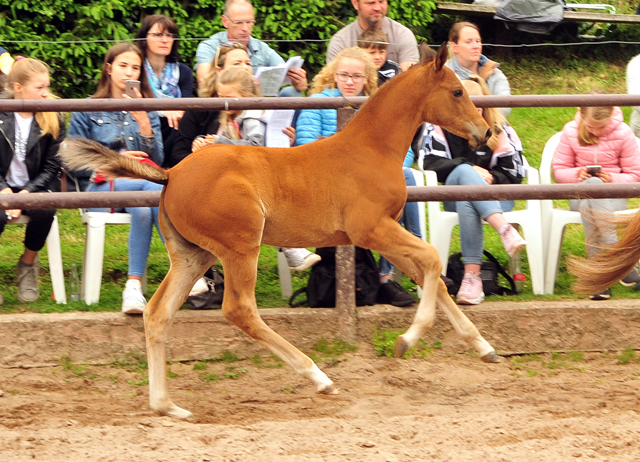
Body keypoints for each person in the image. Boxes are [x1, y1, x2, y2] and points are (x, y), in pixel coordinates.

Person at [294, 47, 416, 306]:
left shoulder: (379, 107)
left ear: (367, 79)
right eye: (344, 75)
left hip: (373, 181)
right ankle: (413, 263)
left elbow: (404, 153)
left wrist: (376, 164)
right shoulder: (318, 102)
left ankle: (389, 274)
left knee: (404, 180)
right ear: (334, 76)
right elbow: (305, 145)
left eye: (357, 77)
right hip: (329, 182)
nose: (350, 82)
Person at [67, 42, 165, 315]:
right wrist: (115, 163)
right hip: (99, 188)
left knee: (144, 204)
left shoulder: (146, 109)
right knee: (152, 189)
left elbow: (157, 158)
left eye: (135, 67)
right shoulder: (87, 107)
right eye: (123, 65)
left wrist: (144, 123)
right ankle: (185, 269)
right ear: (109, 69)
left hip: (139, 186)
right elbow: (72, 158)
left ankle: (133, 288)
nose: (129, 72)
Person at [417, 76, 526, 305]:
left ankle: (472, 279)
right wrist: (469, 169)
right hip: (451, 194)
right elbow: (430, 165)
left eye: (476, 105)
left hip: (496, 197)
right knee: (466, 175)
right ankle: (504, 230)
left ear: (484, 105)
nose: (471, 110)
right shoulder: (438, 127)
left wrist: (490, 178)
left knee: (469, 199)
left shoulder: (500, 128)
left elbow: (515, 174)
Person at [552, 97, 640, 301]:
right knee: (591, 186)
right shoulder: (570, 131)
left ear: (611, 117)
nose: (597, 132)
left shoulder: (624, 132)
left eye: (603, 127)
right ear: (581, 115)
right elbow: (559, 172)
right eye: (592, 127)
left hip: (614, 197)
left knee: (592, 197)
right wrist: (577, 175)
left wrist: (612, 178)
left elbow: (635, 175)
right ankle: (616, 258)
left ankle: (599, 282)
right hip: (578, 194)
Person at [0, 58, 64, 304]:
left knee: (45, 210)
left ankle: (27, 264)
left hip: (34, 186)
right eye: (39, 88)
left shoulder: (54, 117)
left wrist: (27, 192)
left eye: (46, 86)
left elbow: (52, 166)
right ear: (18, 88)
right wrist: (4, 191)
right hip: (2, 187)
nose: (45, 93)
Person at [194, 0, 307, 95]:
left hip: (259, 106)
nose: (245, 28)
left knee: (291, 93)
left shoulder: (261, 48)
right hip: (227, 104)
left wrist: (299, 81)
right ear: (225, 21)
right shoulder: (209, 46)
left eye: (249, 22)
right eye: (239, 22)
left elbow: (282, 68)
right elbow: (204, 80)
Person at [135, 14, 194, 167]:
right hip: (144, 127)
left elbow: (186, 105)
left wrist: (174, 111)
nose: (165, 40)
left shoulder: (184, 71)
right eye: (158, 35)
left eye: (169, 35)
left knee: (177, 122)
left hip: (175, 130)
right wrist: (163, 111)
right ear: (144, 38)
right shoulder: (136, 69)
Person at [326, 0, 419, 72]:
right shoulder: (340, 41)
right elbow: (333, 82)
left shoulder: (403, 35)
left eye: (381, 1)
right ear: (356, 4)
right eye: (371, 3)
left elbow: (409, 79)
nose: (378, 7)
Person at [446, 21, 511, 118]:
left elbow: (505, 108)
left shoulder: (494, 74)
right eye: (469, 42)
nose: (476, 46)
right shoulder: (441, 73)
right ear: (455, 47)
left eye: (478, 41)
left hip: (491, 129)